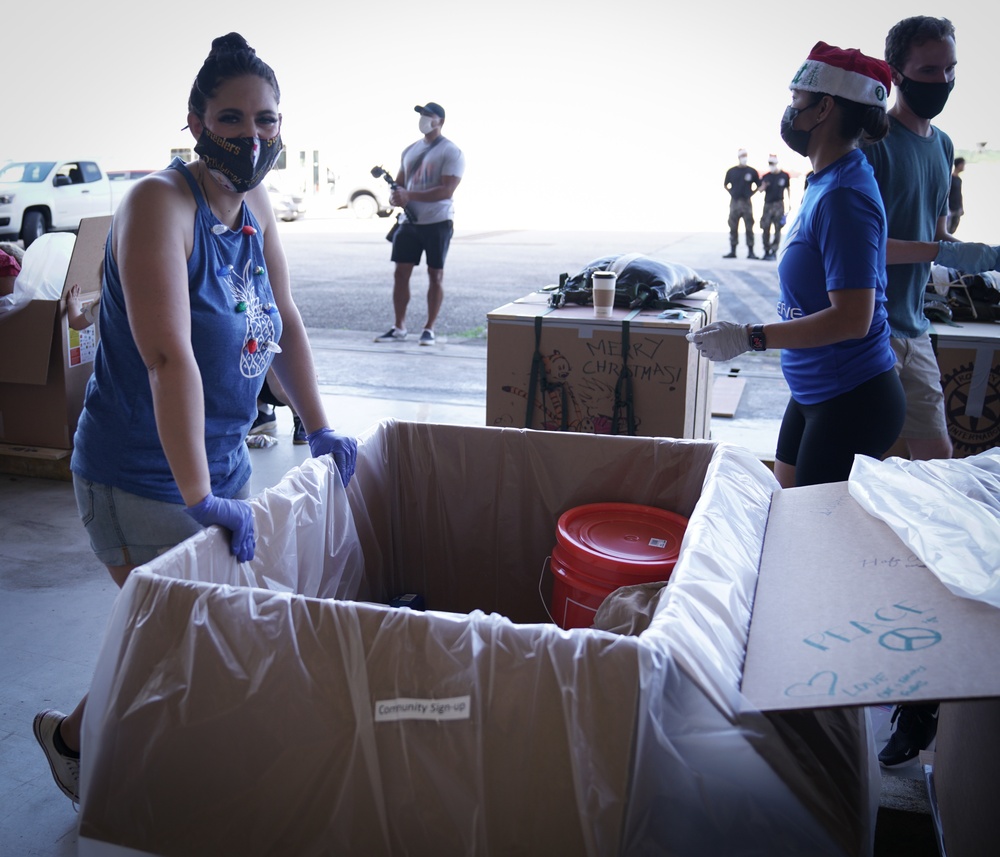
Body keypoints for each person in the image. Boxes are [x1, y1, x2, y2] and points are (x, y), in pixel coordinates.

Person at [32, 32, 358, 805]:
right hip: (142, 475)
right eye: (232, 118)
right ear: (195, 122)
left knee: (189, 628)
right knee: (191, 630)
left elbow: (282, 317)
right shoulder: (157, 205)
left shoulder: (254, 205)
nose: (252, 136)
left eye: (267, 120)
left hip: (219, 464)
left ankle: (95, 741)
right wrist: (197, 496)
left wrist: (318, 422)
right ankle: (78, 741)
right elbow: (166, 358)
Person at [861, 15, 998, 771]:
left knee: (938, 487)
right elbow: (867, 239)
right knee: (879, 499)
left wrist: (949, 229)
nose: (940, 82)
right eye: (927, 69)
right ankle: (876, 655)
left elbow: (940, 214)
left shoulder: (942, 146)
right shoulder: (874, 143)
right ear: (896, 69)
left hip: (915, 327)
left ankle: (922, 691)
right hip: (869, 326)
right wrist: (944, 247)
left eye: (949, 70)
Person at [690, 41, 905, 490]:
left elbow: (852, 319)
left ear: (823, 108)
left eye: (795, 101)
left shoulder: (845, 195)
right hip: (813, 389)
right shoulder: (823, 180)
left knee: (814, 540)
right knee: (785, 507)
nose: (790, 111)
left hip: (851, 397)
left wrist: (751, 337)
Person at [374, 102, 465, 346]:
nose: (423, 119)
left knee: (435, 275)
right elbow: (401, 186)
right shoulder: (409, 150)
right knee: (400, 274)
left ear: (440, 121)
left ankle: (429, 328)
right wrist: (395, 197)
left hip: (438, 222)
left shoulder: (451, 152)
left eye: (429, 115)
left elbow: (447, 190)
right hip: (409, 222)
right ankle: (399, 326)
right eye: (421, 115)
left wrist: (410, 196)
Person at [722, 148, 760, 259]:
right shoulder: (731, 171)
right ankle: (733, 250)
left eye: (746, 155)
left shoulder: (752, 171)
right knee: (733, 226)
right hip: (734, 202)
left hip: (746, 203)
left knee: (749, 227)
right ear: (739, 157)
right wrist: (732, 193)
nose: (744, 157)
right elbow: (725, 184)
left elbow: (759, 185)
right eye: (743, 155)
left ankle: (751, 252)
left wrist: (751, 194)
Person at [757, 154, 791, 260]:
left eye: (772, 163)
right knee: (765, 227)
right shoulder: (766, 176)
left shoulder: (784, 176)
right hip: (768, 204)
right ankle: (766, 250)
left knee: (777, 228)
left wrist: (790, 203)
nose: (771, 165)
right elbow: (760, 190)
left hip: (779, 204)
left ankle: (774, 251)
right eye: (769, 164)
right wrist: (764, 186)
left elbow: (788, 189)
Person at [947, 156, 965, 233]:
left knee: (953, 229)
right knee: (947, 229)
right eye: (963, 164)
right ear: (959, 165)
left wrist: (961, 207)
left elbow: (959, 194)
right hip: (950, 208)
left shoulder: (959, 179)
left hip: (956, 208)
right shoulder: (950, 178)